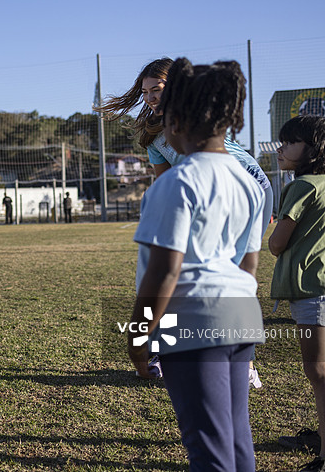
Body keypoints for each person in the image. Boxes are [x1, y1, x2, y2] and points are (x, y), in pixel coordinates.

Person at [99, 57, 272, 386]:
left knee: (235, 274)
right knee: (182, 277)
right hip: (200, 192)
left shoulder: (200, 125)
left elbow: (229, 171)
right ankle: (167, 354)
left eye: (158, 89)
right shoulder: (153, 133)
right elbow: (164, 180)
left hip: (247, 188)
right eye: (145, 91)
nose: (150, 97)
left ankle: (244, 362)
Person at [128, 59, 264, 472]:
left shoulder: (175, 183)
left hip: (193, 321)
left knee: (208, 450)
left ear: (175, 121)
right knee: (238, 442)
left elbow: (164, 273)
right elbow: (249, 266)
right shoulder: (250, 183)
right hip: (242, 316)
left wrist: (137, 339)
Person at [268, 115, 325, 472]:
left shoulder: (301, 186)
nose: (281, 149)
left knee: (318, 372)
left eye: (290, 142)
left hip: (312, 292)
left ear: (313, 149)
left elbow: (276, 244)